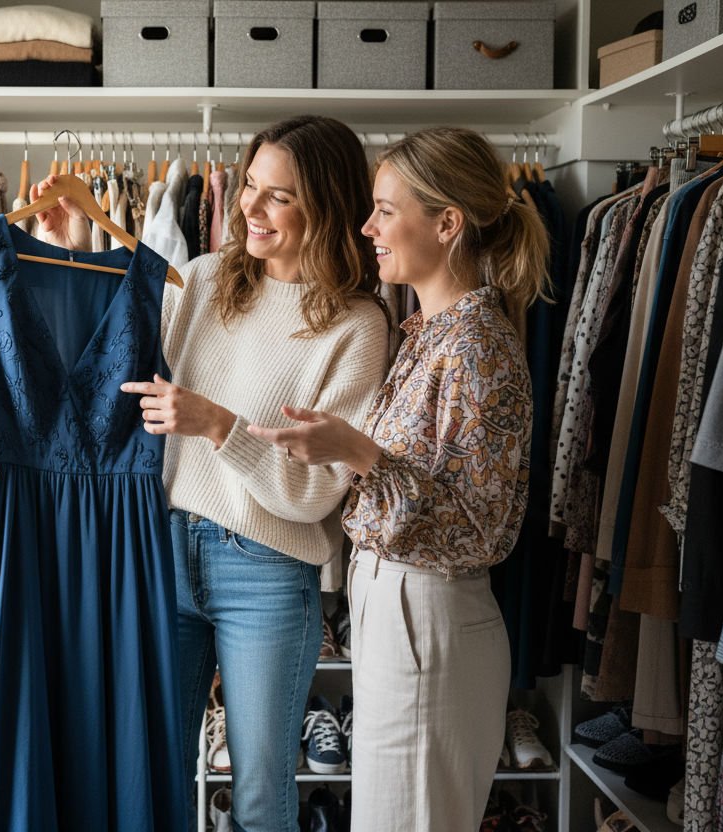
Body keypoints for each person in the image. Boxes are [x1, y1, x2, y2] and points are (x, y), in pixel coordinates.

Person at [31, 115, 391, 831]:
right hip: (163, 553)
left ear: (326, 207)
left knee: (260, 797)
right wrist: (64, 251)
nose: (249, 210)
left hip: (267, 572)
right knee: (149, 778)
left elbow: (318, 492)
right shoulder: (199, 279)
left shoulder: (357, 325)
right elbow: (104, 374)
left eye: (277, 197)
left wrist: (221, 427)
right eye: (250, 187)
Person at [249, 126, 547, 832]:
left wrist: (361, 454)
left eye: (385, 209)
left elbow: (482, 529)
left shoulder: (478, 347)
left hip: (431, 620)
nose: (365, 226)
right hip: (397, 616)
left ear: (447, 224)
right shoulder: (425, 333)